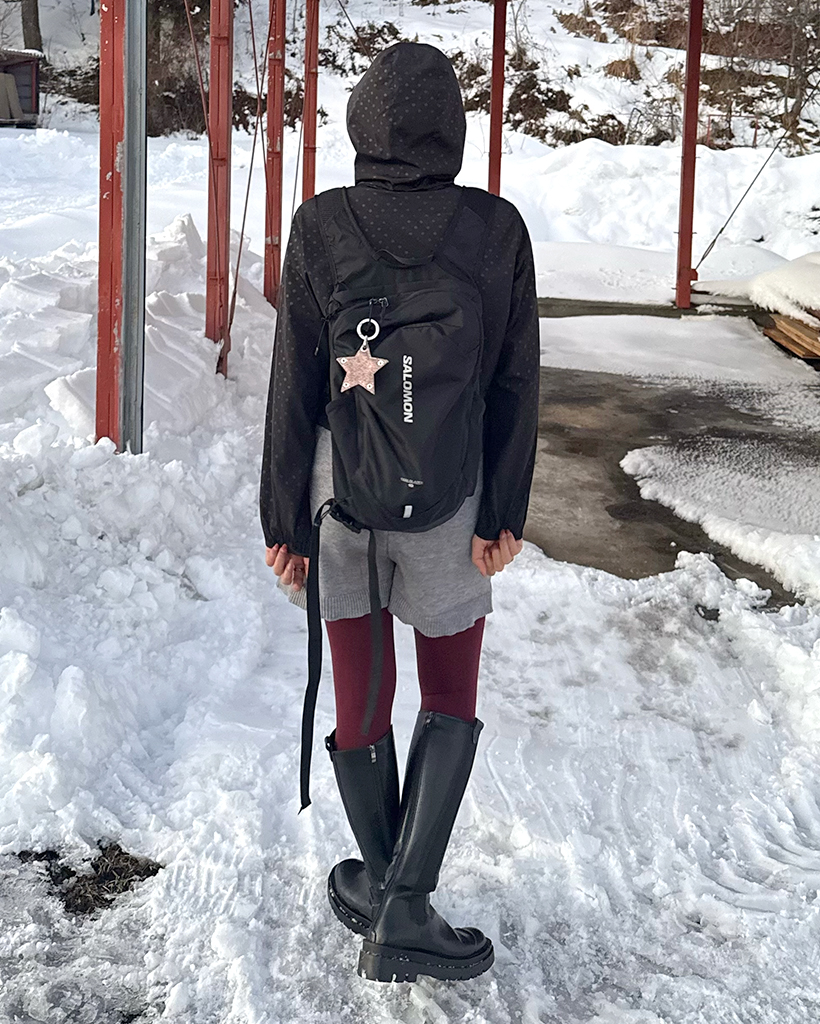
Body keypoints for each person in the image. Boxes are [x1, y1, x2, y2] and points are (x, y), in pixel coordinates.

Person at [260, 41, 539, 983]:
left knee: (361, 689)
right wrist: (504, 512)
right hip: (454, 497)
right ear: (453, 129)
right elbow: (516, 382)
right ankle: (404, 903)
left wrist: (282, 522)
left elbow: (293, 383)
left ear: (360, 125)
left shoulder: (321, 224)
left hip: (338, 497)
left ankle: (388, 889)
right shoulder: (496, 229)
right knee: (450, 689)